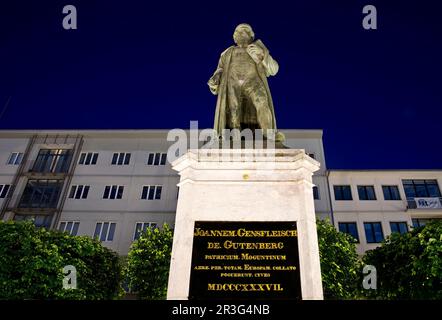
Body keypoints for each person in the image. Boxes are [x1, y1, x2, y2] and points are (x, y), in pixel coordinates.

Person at [208, 23, 284, 142]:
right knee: (233, 110)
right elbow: (220, 70)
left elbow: (274, 69)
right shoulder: (227, 53)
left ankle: (269, 134)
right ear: (234, 37)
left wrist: (263, 55)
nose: (242, 34)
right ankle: (234, 138)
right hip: (232, 83)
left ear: (251, 36)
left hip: (253, 81)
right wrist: (216, 78)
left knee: (262, 104)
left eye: (245, 31)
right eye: (238, 32)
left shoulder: (257, 49)